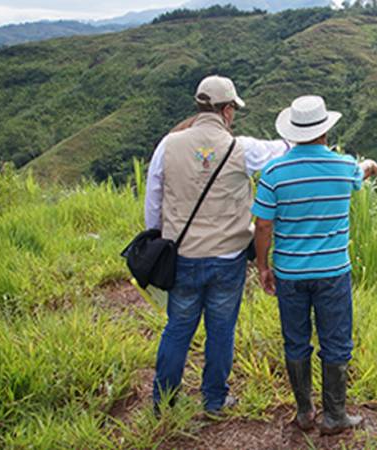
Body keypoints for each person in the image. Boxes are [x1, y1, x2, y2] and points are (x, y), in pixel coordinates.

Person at [145, 75, 291, 417]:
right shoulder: (242, 148)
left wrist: (159, 239)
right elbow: (282, 150)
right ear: (227, 110)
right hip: (228, 257)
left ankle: (163, 403)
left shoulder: (168, 145)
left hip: (182, 256)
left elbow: (154, 201)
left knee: (177, 329)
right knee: (221, 330)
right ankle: (214, 399)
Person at [251, 95, 377, 435]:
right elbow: (361, 173)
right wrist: (369, 165)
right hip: (333, 272)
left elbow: (263, 225)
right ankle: (335, 416)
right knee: (336, 340)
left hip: (290, 273)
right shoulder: (343, 166)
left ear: (293, 132)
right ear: (325, 131)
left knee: (296, 340)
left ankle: (305, 412)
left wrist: (263, 266)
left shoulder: (274, 172)